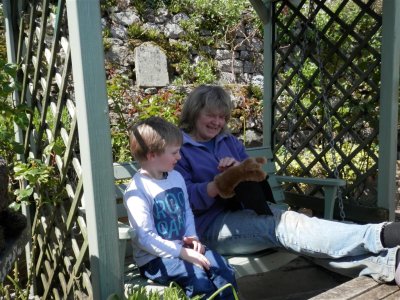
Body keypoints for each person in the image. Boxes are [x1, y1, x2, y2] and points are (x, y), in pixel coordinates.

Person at [174, 84, 400, 285]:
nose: (217, 122)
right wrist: (222, 181)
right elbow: (183, 200)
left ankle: (391, 262)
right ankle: (381, 235)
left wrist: (242, 170)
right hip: (211, 227)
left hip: (250, 208)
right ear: (194, 112)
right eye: (211, 115)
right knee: (284, 228)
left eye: (222, 117)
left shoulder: (229, 141)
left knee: (297, 231)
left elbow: (257, 178)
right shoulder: (177, 149)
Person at [124, 116, 238, 299]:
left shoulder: (175, 177)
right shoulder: (137, 191)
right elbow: (145, 239)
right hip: (154, 259)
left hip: (183, 248)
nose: (180, 157)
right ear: (152, 155)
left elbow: (186, 211)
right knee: (198, 278)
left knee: (222, 269)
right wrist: (182, 253)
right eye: (175, 152)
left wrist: (192, 237)